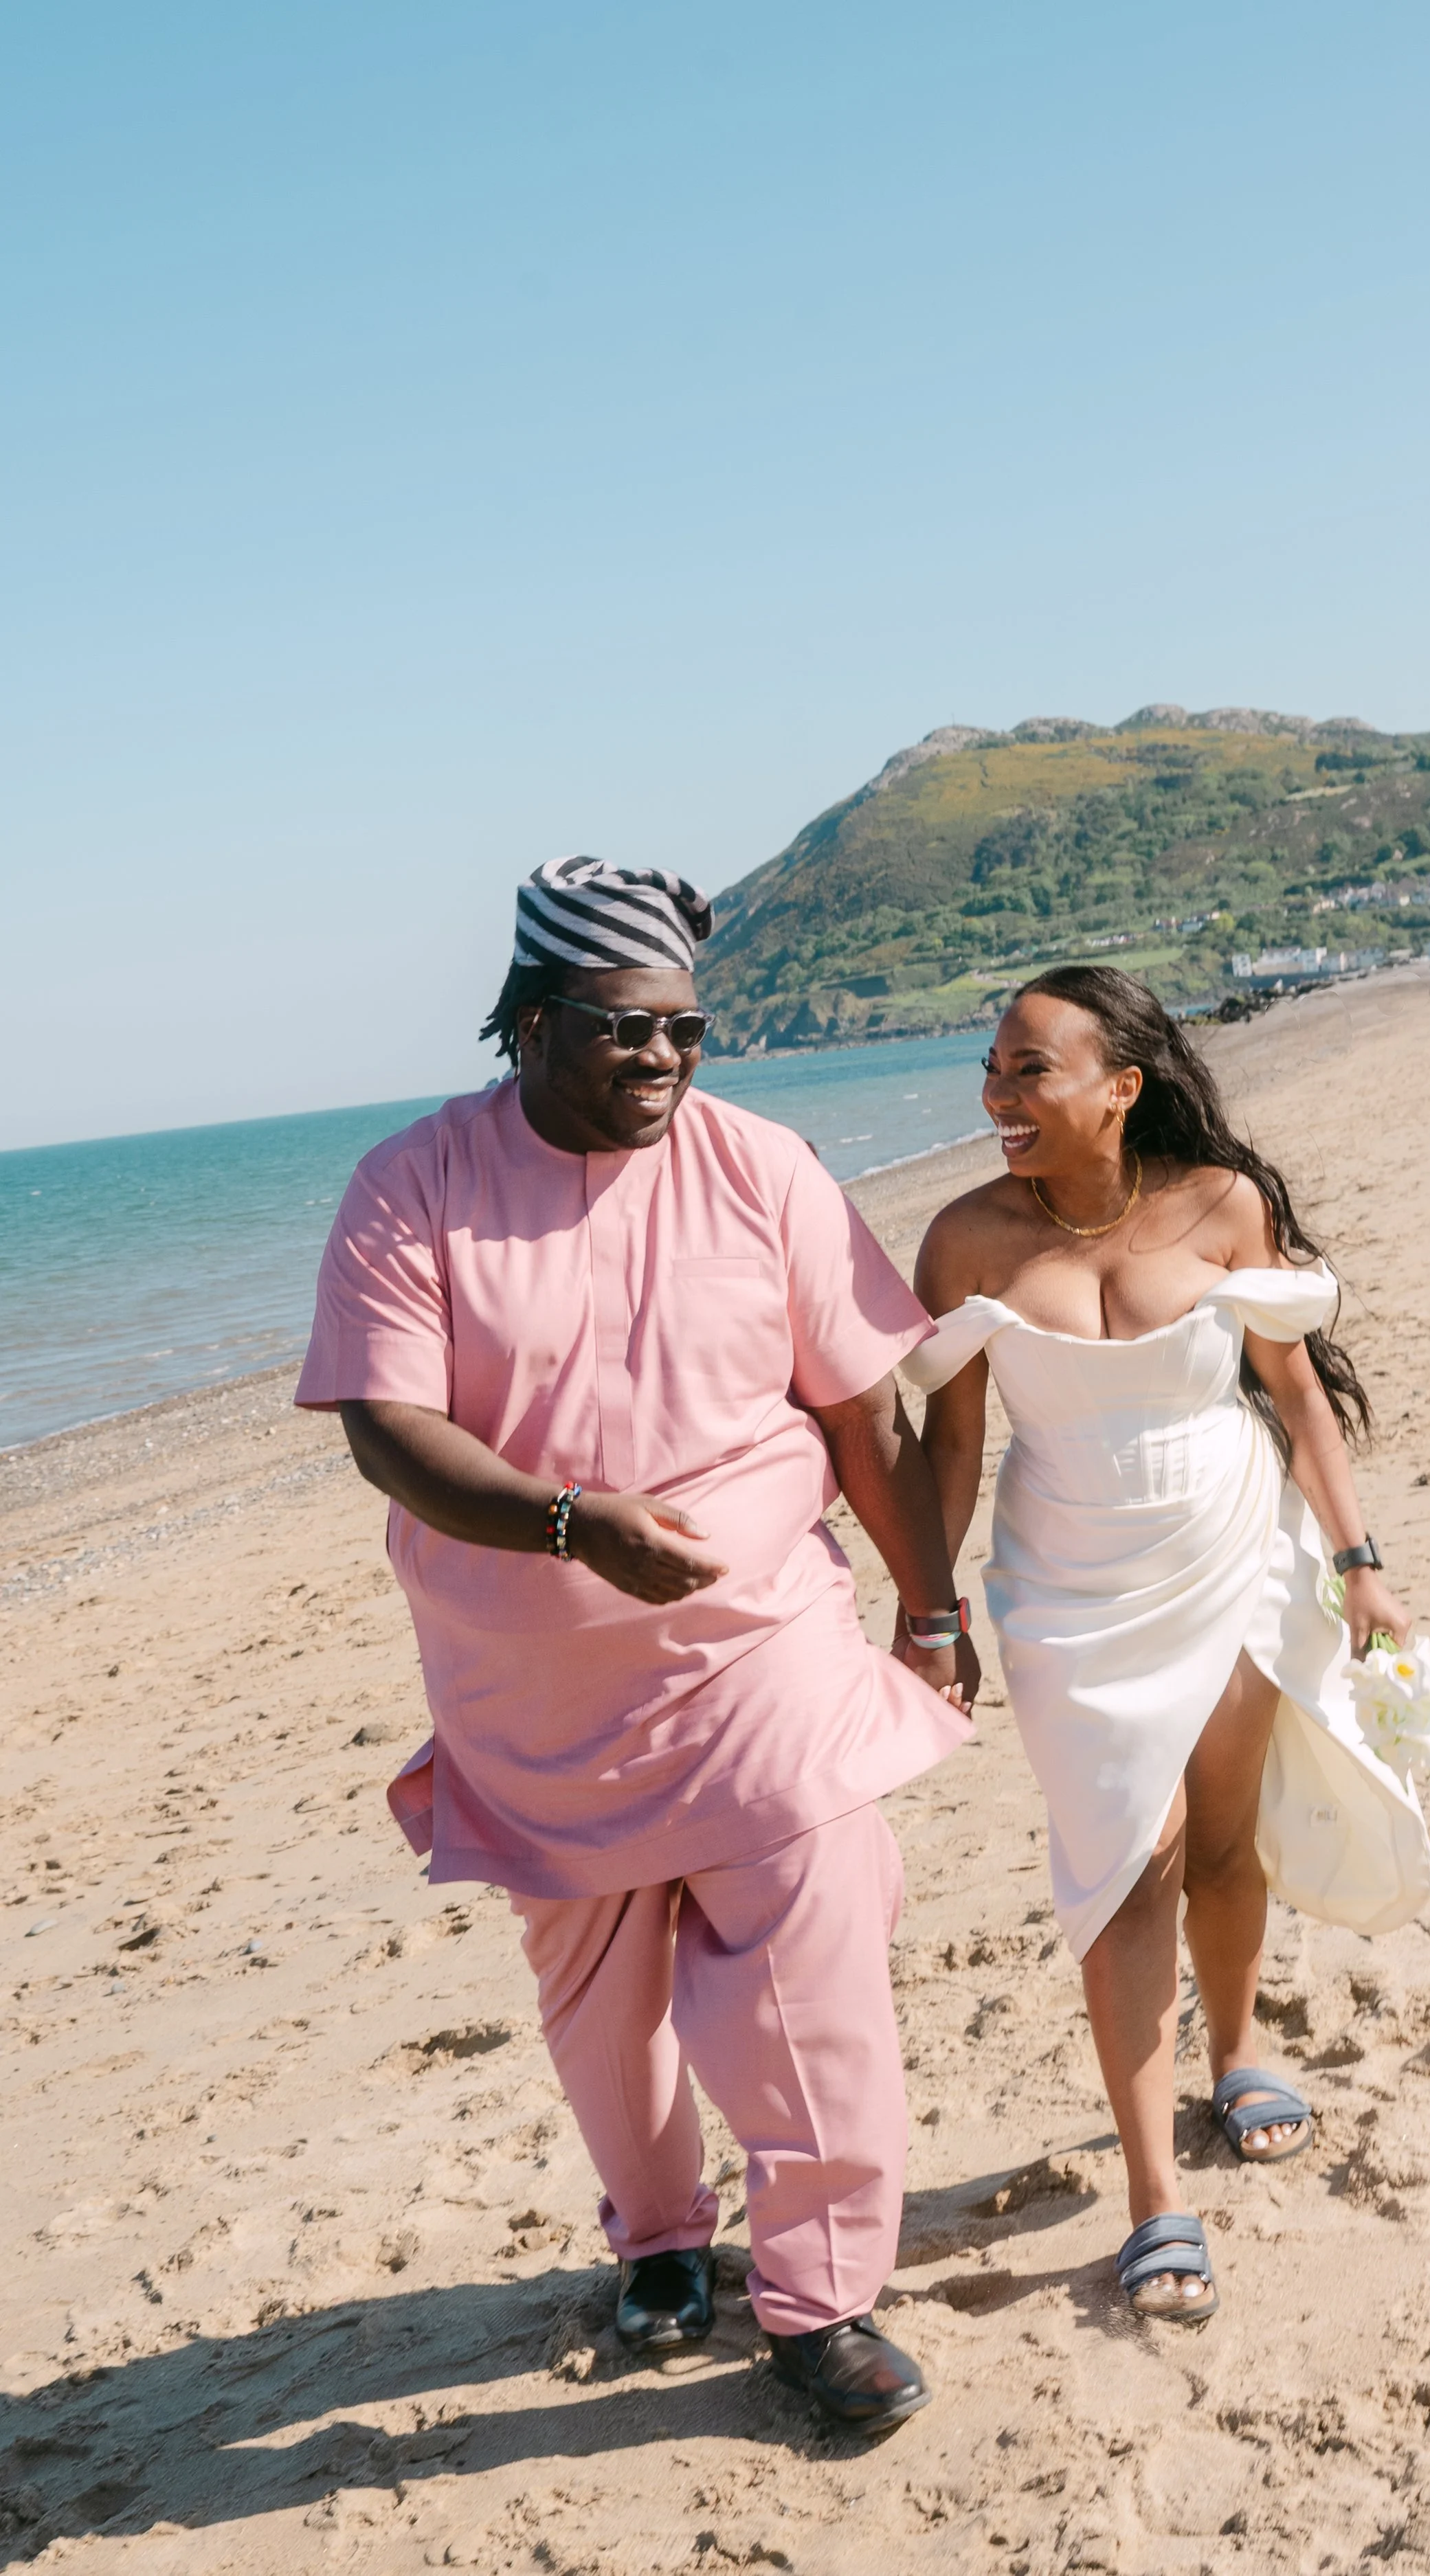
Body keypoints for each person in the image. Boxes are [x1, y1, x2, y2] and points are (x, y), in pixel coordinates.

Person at [296, 857, 981, 2434]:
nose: (664, 1060)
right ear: (531, 1026)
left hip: (764, 1658)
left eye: (685, 1030)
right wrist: (568, 1527)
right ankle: (664, 2240)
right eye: (624, 1029)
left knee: (810, 1974)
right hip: (534, 1697)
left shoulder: (763, 1170)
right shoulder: (412, 1188)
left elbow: (855, 1414)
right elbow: (388, 1431)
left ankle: (820, 2306)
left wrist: (928, 1606)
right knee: (600, 2005)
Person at [901, 965, 1430, 2324]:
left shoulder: (1219, 1203)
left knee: (1214, 1837)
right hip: (1068, 1594)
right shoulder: (964, 1240)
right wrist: (929, 1606)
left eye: (1029, 1070)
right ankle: (1153, 2202)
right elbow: (952, 1440)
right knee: (1117, 1869)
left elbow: (1292, 1392)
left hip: (1235, 1553)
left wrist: (1357, 1563)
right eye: (992, 1069)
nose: (997, 1095)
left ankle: (1238, 2048)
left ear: (1117, 1087)